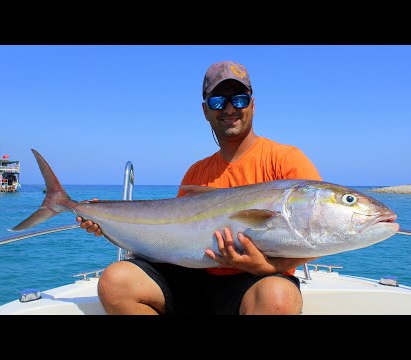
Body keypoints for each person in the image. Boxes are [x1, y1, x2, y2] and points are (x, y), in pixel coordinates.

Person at [77, 60, 322, 315]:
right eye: (218, 101)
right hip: (192, 277)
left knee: (278, 297)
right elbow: (171, 234)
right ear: (205, 110)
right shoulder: (196, 172)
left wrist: (267, 267)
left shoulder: (286, 160)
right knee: (115, 281)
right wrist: (104, 219)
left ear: (253, 104)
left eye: (239, 99)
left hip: (254, 283)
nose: (229, 108)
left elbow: (316, 236)